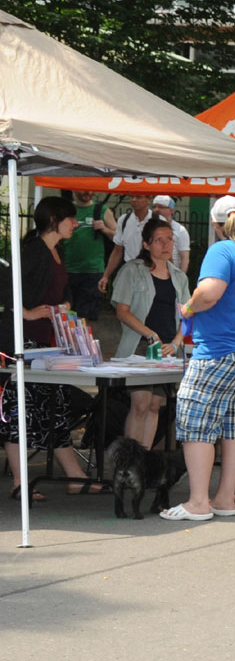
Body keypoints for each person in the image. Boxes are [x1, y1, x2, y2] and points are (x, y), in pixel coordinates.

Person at [160, 196, 235, 522]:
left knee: (194, 421)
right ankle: (224, 499)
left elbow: (209, 292)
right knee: (234, 423)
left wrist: (189, 308)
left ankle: (198, 502)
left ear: (215, 224)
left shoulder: (221, 250)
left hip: (219, 351)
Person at [2, 196, 108, 499]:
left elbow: (65, 292)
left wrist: (64, 306)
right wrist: (28, 312)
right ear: (54, 220)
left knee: (56, 408)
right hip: (24, 343)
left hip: (48, 343)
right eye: (71, 219)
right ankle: (20, 484)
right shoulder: (34, 251)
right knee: (22, 410)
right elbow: (8, 286)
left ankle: (74, 477)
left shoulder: (56, 250)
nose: (76, 224)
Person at [112, 217, 190, 449]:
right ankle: (129, 462)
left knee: (155, 406)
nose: (166, 245)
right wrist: (150, 334)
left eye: (169, 240)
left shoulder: (179, 276)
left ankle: (142, 460)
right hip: (140, 346)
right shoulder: (132, 270)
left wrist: (176, 343)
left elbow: (188, 316)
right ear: (146, 244)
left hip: (168, 350)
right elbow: (122, 311)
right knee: (141, 404)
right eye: (159, 240)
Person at [64, 190, 116, 319]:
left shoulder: (101, 210)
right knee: (67, 314)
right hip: (68, 270)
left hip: (92, 271)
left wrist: (104, 229)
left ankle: (85, 338)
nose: (87, 192)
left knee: (86, 316)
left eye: (90, 189)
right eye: (82, 189)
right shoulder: (67, 210)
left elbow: (119, 237)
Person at [98, 195, 153, 293]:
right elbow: (117, 250)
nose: (134, 199)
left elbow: (166, 251)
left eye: (138, 197)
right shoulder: (124, 220)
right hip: (129, 272)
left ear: (149, 199)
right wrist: (106, 276)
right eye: (132, 196)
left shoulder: (158, 220)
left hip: (151, 271)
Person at [149, 196, 190, 273]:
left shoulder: (180, 230)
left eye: (161, 207)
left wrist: (180, 278)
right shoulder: (148, 228)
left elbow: (184, 258)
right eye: (154, 207)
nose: (156, 210)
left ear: (171, 210)